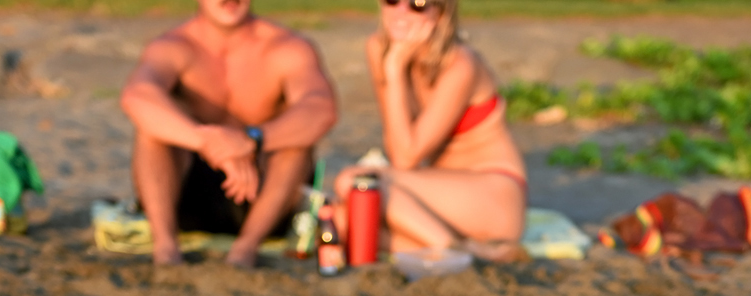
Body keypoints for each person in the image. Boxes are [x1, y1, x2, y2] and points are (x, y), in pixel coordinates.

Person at [120, 0, 338, 267]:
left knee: (298, 140)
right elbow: (137, 96)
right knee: (153, 128)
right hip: (188, 192)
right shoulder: (173, 47)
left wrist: (252, 140)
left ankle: (245, 249)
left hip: (263, 194)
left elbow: (321, 109)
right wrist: (208, 142)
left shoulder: (287, 48)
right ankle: (165, 248)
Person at [335, 0, 526, 255]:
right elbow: (397, 145)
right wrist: (395, 64)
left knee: (353, 182)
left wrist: (394, 69)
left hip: (493, 195)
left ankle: (450, 248)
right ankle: (474, 251)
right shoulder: (378, 48)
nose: (401, 11)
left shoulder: (460, 64)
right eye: (392, 0)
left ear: (441, 12)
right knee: (341, 220)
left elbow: (405, 159)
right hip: (439, 192)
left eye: (418, 4)